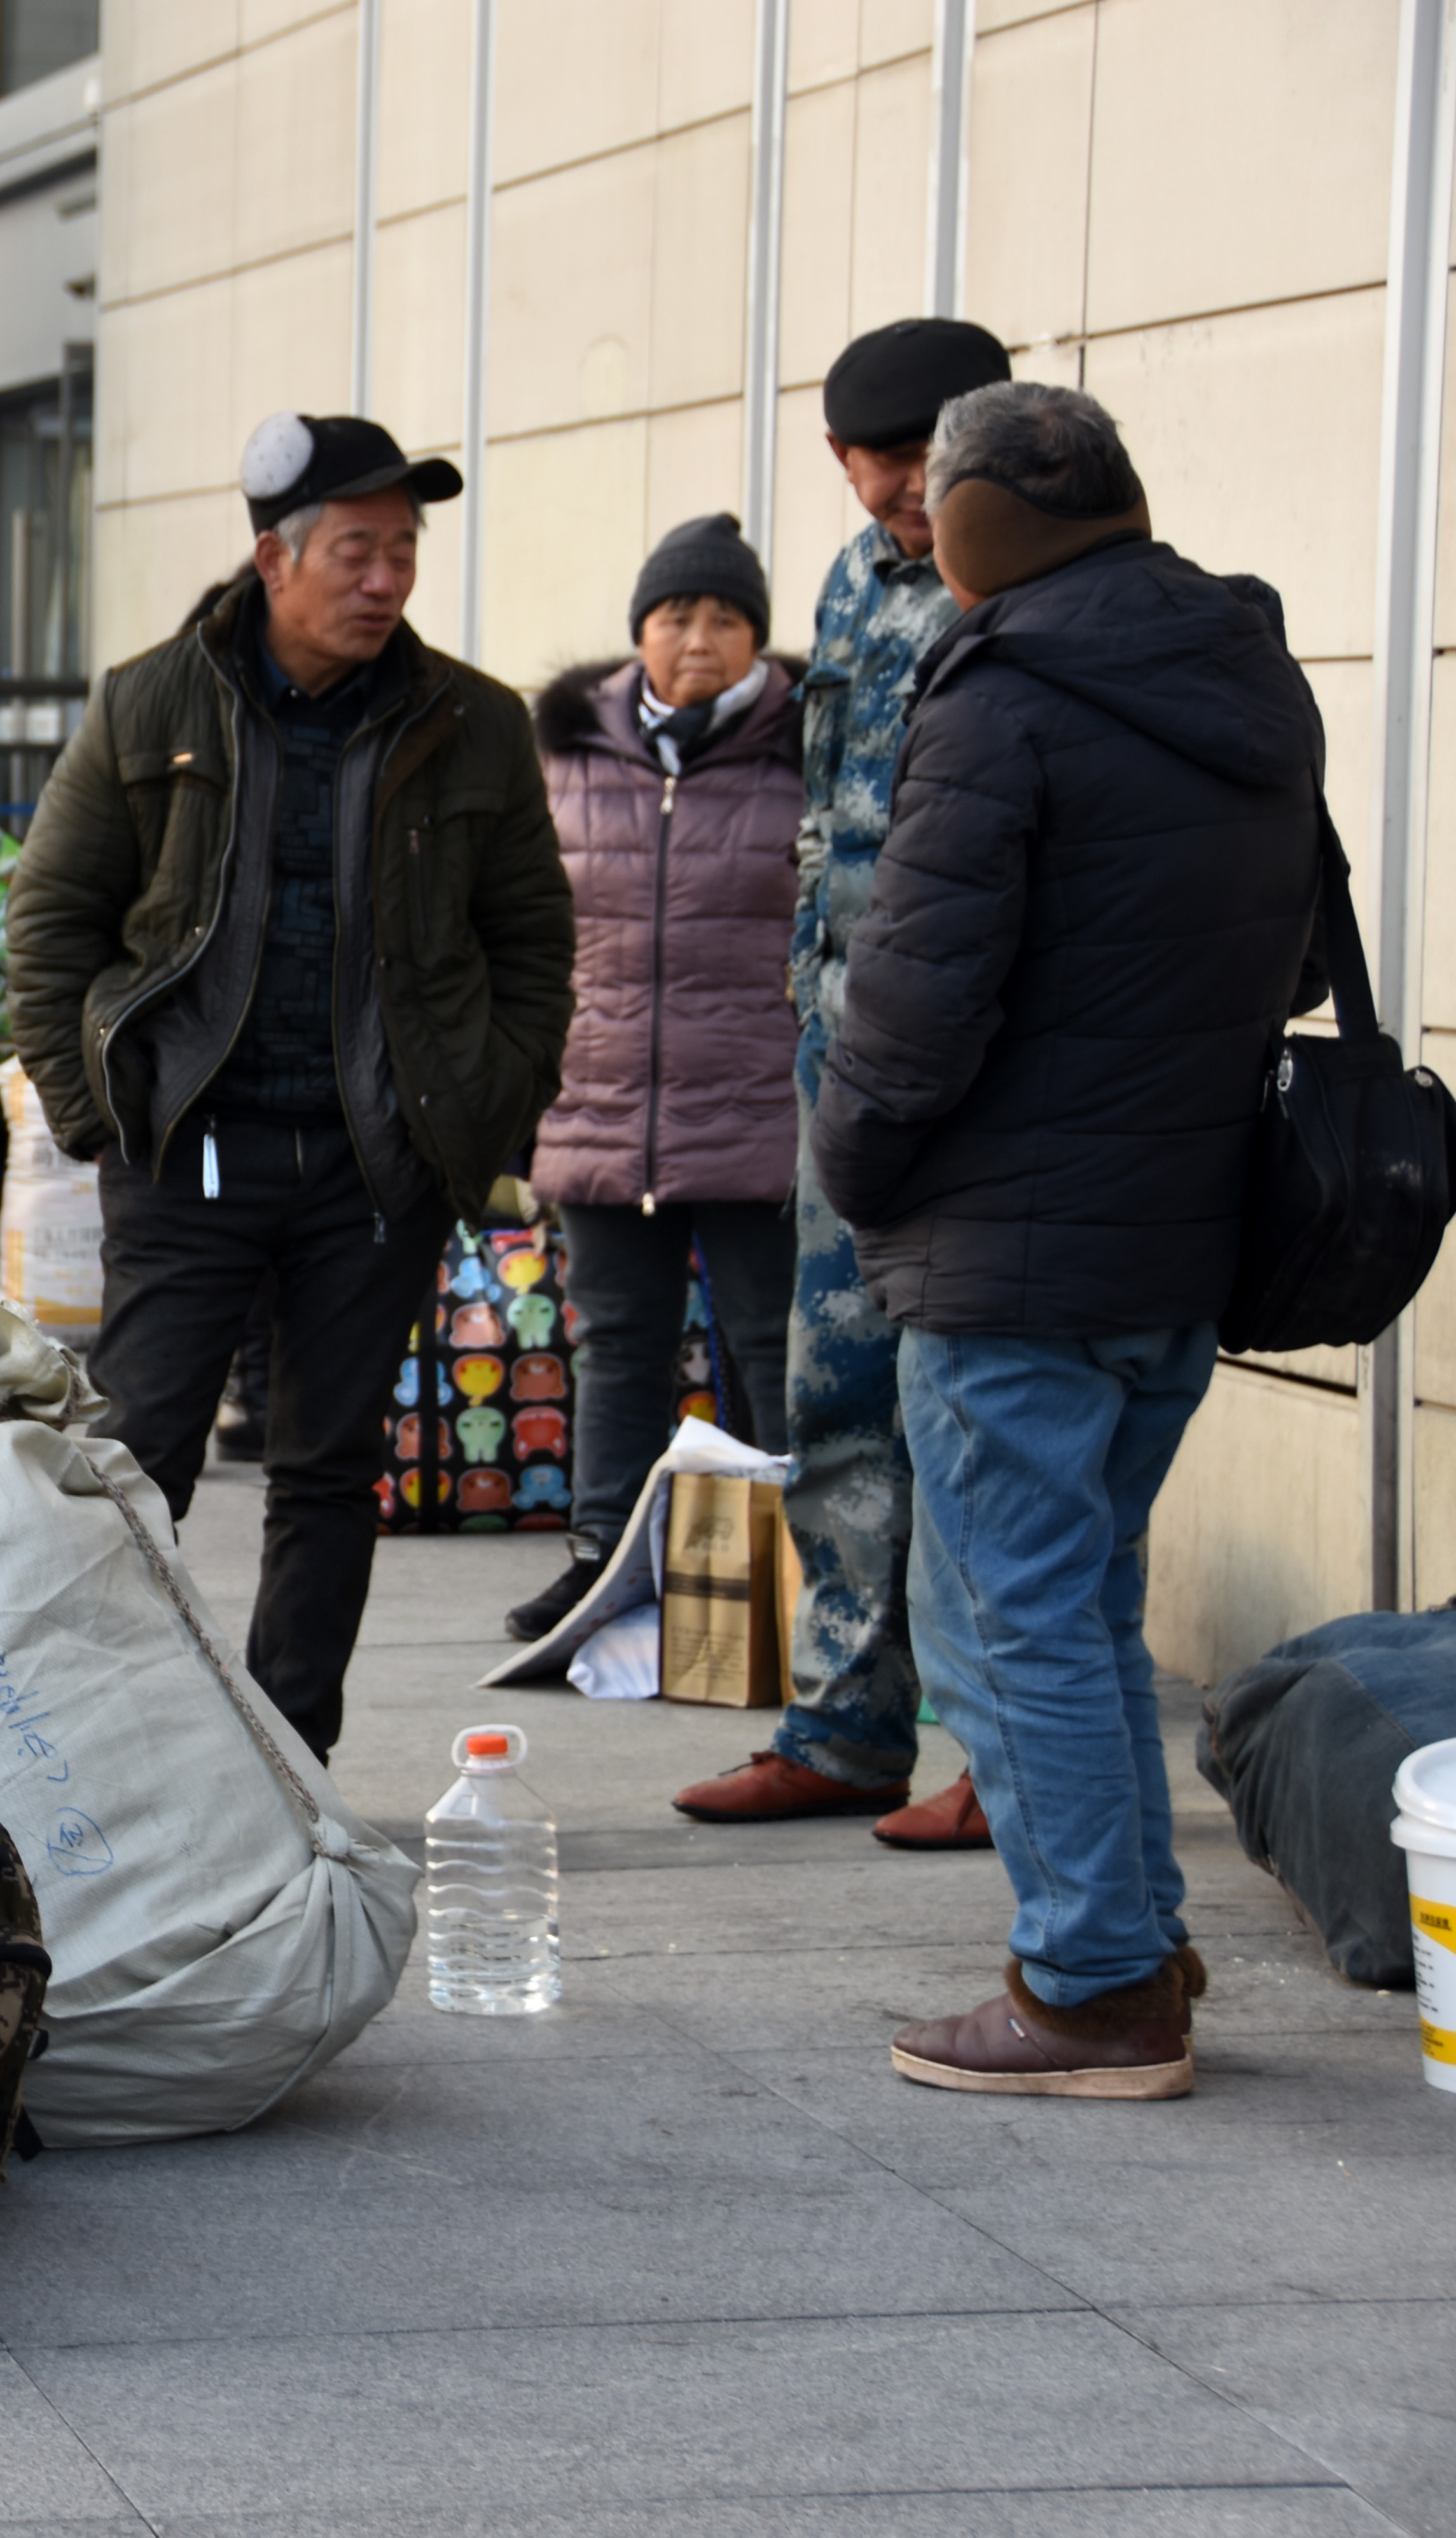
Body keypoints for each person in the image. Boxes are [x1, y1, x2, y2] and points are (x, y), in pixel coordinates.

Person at [814, 383, 1320, 2098]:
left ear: (978, 526)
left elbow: (914, 998)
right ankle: (1137, 1943)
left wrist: (854, 1164)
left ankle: (1094, 1987)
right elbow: (1295, 958)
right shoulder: (1243, 667)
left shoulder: (1003, 689)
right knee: (1083, 1609)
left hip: (1012, 1247)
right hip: (1178, 1234)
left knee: (1003, 1625)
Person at [4, 412, 574, 1763]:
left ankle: (288, 1764)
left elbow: (532, 940)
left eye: (403, 552)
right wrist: (98, 1117)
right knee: (137, 1464)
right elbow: (51, 920)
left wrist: (488, 1109)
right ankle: (115, 1756)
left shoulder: (474, 722)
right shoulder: (151, 702)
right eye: (356, 552)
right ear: (276, 558)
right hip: (189, 1151)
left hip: (378, 1164)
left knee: (329, 1470)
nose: (385, 580)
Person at [672, 316, 1013, 1843]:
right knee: (838, 1392)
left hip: (992, 1068)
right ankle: (844, 1726)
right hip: (848, 1051)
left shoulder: (1035, 580)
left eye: (930, 464)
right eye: (880, 470)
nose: (905, 495)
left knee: (989, 1416)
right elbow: (826, 815)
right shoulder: (850, 579)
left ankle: (1008, 1754)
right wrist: (808, 997)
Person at [508, 515, 801, 1640]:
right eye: (677, 616)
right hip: (600, 1103)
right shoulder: (569, 752)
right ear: (641, 631)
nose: (699, 640)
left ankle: (801, 1573)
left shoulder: (804, 751)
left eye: (726, 619)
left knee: (774, 1345)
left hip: (758, 1111)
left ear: (757, 638)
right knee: (618, 1343)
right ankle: (600, 1562)